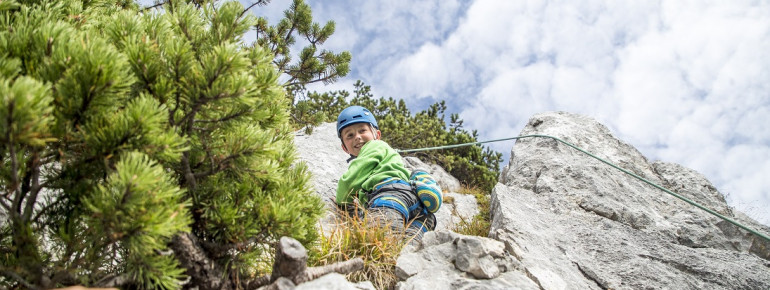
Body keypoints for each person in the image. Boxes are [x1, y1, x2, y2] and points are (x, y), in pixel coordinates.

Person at [335, 106, 442, 243]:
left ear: (377, 135)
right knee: (408, 249)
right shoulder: (389, 155)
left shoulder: (373, 146)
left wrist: (342, 201)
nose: (357, 137)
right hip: (417, 206)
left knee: (381, 242)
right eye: (350, 135)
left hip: (389, 198)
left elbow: (350, 181)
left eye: (362, 130)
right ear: (344, 147)